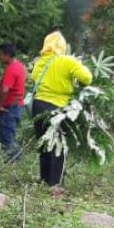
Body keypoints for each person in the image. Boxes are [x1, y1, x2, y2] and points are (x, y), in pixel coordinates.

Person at [27, 31, 93, 188]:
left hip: (38, 106)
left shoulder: (39, 63)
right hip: (58, 109)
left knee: (44, 144)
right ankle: (54, 184)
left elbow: (35, 79)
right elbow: (87, 78)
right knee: (58, 146)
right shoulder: (68, 61)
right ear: (62, 46)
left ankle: (44, 180)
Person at [0, 43, 26, 159]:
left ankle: (13, 162)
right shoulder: (19, 66)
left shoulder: (11, 70)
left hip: (9, 108)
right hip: (16, 106)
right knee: (10, 135)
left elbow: (5, 90)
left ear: (7, 55)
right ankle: (13, 161)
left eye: (1, 54)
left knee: (7, 137)